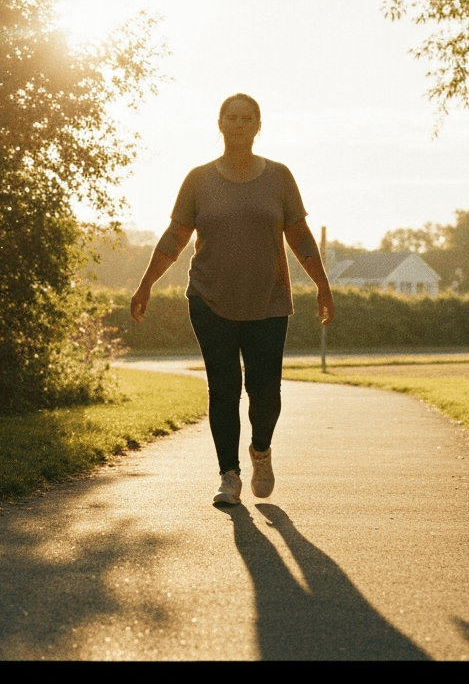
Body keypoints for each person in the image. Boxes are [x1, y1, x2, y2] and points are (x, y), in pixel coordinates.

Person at [129, 93, 334, 505]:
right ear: (220, 124)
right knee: (223, 389)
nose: (239, 124)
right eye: (232, 117)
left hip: (269, 299)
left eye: (246, 118)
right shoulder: (198, 179)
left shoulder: (279, 177)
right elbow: (175, 237)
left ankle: (261, 450)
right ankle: (229, 475)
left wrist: (322, 285)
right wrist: (146, 283)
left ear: (258, 126)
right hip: (209, 298)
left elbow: (299, 235)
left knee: (266, 392)